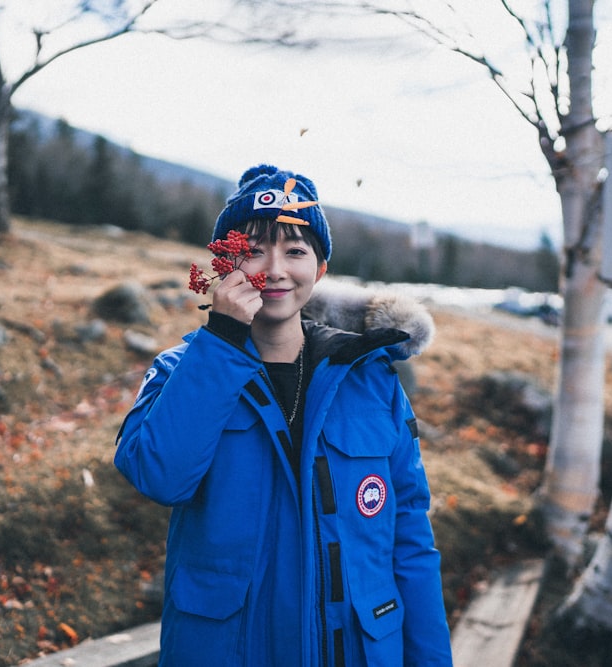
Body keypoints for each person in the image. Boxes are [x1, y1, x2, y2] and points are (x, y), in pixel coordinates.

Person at [114, 164, 453, 666]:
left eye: (295, 251)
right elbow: (160, 477)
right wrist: (224, 341)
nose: (274, 269)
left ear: (319, 271)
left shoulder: (370, 380)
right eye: (253, 250)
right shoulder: (181, 371)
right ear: (225, 263)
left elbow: (408, 535)